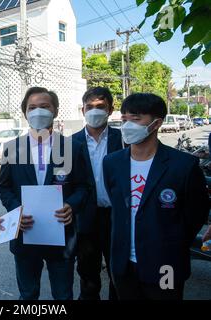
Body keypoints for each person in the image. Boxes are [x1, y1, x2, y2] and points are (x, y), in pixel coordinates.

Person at [103, 93, 209, 300]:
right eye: (124, 119)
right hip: (123, 265)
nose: (127, 126)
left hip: (166, 264)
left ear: (156, 123)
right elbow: (118, 206)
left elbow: (196, 214)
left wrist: (171, 240)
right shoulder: (112, 163)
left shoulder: (183, 165)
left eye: (135, 119)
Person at [0, 87, 88, 300]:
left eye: (44, 106)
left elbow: (85, 186)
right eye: (32, 107)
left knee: (63, 294)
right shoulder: (12, 148)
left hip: (61, 235)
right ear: (25, 113)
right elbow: (4, 187)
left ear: (55, 111)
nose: (38, 111)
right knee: (28, 295)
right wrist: (15, 210)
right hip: (24, 233)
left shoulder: (72, 147)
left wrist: (71, 206)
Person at [72, 87, 122, 300]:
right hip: (86, 220)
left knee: (118, 274)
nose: (94, 111)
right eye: (89, 107)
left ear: (111, 109)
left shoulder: (123, 139)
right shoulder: (69, 143)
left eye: (100, 107)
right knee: (88, 277)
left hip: (118, 218)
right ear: (82, 110)